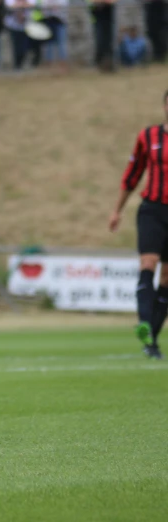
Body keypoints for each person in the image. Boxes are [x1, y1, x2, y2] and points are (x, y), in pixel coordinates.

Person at [109, 90, 168, 360]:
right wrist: (117, 210)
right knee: (148, 264)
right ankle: (144, 322)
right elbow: (132, 175)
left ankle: (151, 340)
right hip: (152, 210)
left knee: (166, 278)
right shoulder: (148, 137)